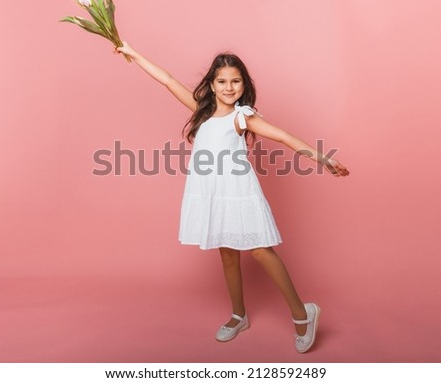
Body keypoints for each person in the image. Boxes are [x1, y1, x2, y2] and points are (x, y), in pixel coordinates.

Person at [115, 42, 350, 354]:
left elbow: (282, 136)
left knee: (260, 251)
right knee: (227, 254)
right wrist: (132, 52)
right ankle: (239, 315)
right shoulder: (202, 110)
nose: (229, 87)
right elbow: (167, 79)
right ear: (212, 84)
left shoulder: (242, 117)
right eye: (222, 81)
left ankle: (303, 313)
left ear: (244, 85)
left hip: (238, 190)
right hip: (212, 190)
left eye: (235, 81)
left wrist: (321, 157)